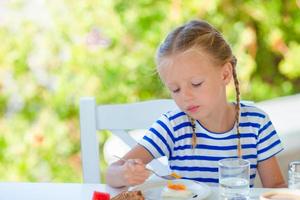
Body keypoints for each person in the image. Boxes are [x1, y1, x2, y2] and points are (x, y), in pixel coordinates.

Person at [106, 19, 286, 188]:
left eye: (196, 84)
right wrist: (124, 174)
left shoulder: (256, 123)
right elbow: (111, 173)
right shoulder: (173, 126)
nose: (185, 96)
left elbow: (276, 187)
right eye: (175, 89)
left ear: (225, 74)